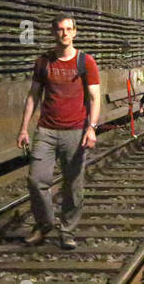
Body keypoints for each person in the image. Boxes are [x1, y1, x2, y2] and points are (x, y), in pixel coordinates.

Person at [17, 14, 100, 249]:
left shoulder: (86, 62)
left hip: (75, 131)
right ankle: (44, 224)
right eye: (60, 29)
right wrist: (23, 128)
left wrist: (92, 128)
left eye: (68, 29)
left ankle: (67, 231)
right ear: (54, 33)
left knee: (73, 185)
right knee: (36, 179)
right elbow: (33, 96)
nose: (64, 33)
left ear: (74, 32)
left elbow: (94, 98)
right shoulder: (43, 62)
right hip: (46, 130)